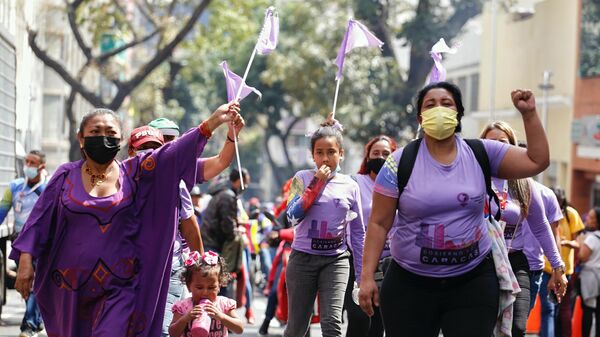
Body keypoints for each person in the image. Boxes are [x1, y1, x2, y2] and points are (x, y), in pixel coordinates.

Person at [11, 103, 243, 337]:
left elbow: (172, 154)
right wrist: (25, 262)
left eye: (111, 133)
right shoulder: (64, 175)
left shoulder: (136, 174)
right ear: (80, 139)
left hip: (118, 289)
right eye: (95, 132)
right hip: (69, 289)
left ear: (120, 139)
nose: (103, 138)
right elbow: (39, 220)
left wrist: (211, 124)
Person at [359, 82, 554, 337]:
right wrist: (366, 277)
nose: (439, 109)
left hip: (472, 283)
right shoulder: (398, 163)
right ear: (420, 117)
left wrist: (529, 115)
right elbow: (379, 223)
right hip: (408, 285)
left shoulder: (481, 152)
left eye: (447, 103)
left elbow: (537, 160)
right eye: (430, 105)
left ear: (459, 113)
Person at [480, 120, 566, 337]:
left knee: (517, 328)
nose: (498, 147)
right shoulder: (472, 177)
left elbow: (541, 226)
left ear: (512, 147)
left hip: (516, 262)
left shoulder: (523, 183)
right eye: (492, 143)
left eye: (503, 142)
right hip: (479, 262)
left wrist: (558, 267)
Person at [283, 124, 365, 337]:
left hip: (335, 260)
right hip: (302, 259)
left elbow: (357, 233)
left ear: (341, 154)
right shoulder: (301, 177)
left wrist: (362, 273)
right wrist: (317, 183)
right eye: (320, 152)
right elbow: (292, 215)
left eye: (331, 152)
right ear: (313, 155)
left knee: (332, 323)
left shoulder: (350, 185)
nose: (325, 158)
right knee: (297, 327)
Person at [127, 124, 204, 337]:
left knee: (162, 329)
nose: (149, 153)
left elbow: (190, 229)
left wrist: (199, 271)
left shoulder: (176, 184)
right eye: (143, 148)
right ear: (131, 151)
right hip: (129, 270)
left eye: (155, 147)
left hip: (169, 269)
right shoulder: (119, 181)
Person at [344, 135, 396, 337]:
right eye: (376, 153)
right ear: (367, 157)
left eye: (386, 154)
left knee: (378, 321)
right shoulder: (354, 182)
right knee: (358, 318)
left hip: (389, 264)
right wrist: (329, 130)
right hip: (356, 260)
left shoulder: (401, 185)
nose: (380, 157)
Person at [0, 150, 48, 337]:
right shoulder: (15, 188)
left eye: (32, 162)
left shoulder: (48, 188)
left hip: (43, 245)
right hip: (20, 244)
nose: (28, 165)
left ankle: (28, 325)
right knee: (25, 284)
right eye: (26, 161)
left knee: (37, 283)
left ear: (41, 166)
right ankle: (38, 320)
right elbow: (2, 211)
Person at [534, 187, 585, 337]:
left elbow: (578, 243)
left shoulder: (571, 215)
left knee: (559, 310)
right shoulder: (543, 212)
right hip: (546, 269)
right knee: (549, 310)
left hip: (565, 271)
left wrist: (566, 243)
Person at [168, 251, 244, 337]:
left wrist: (221, 316)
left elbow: (239, 328)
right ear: (189, 286)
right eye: (199, 287)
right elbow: (172, 333)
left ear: (219, 286)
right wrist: (186, 318)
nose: (205, 292)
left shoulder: (223, 305)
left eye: (211, 288)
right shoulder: (183, 306)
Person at [577, 207, 600, 337]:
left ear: (597, 222)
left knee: (588, 310)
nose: (587, 220)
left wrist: (580, 243)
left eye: (591, 217)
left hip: (590, 279)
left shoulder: (591, 238)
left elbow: (582, 256)